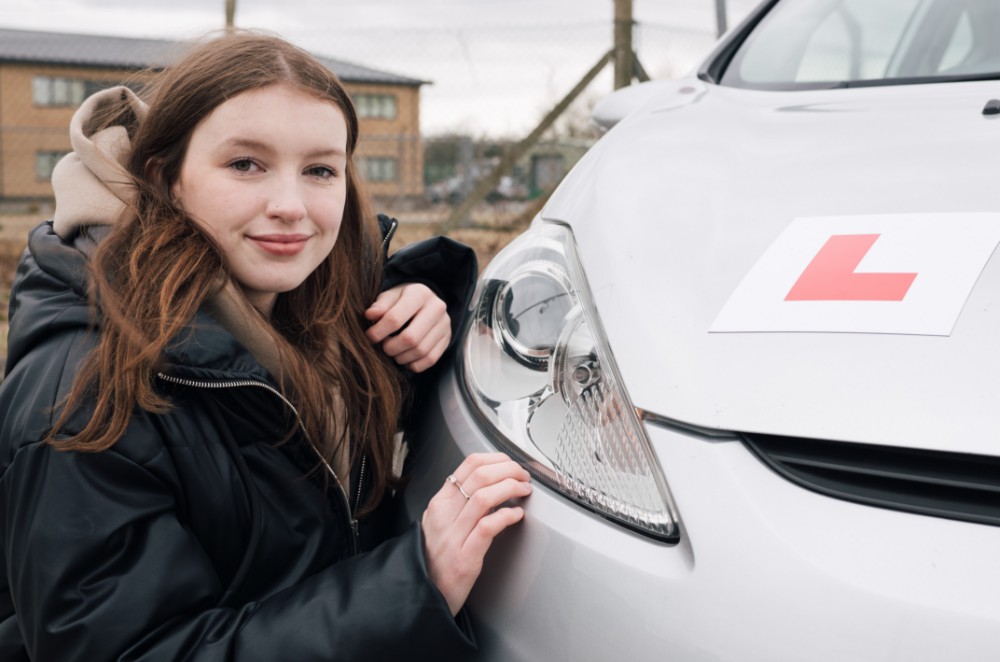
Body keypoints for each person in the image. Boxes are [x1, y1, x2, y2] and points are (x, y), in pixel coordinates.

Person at [0, 31, 531, 661]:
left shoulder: (317, 313)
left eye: (319, 170)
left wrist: (421, 324)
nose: (290, 206)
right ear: (164, 179)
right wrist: (414, 584)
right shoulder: (83, 392)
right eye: (245, 164)